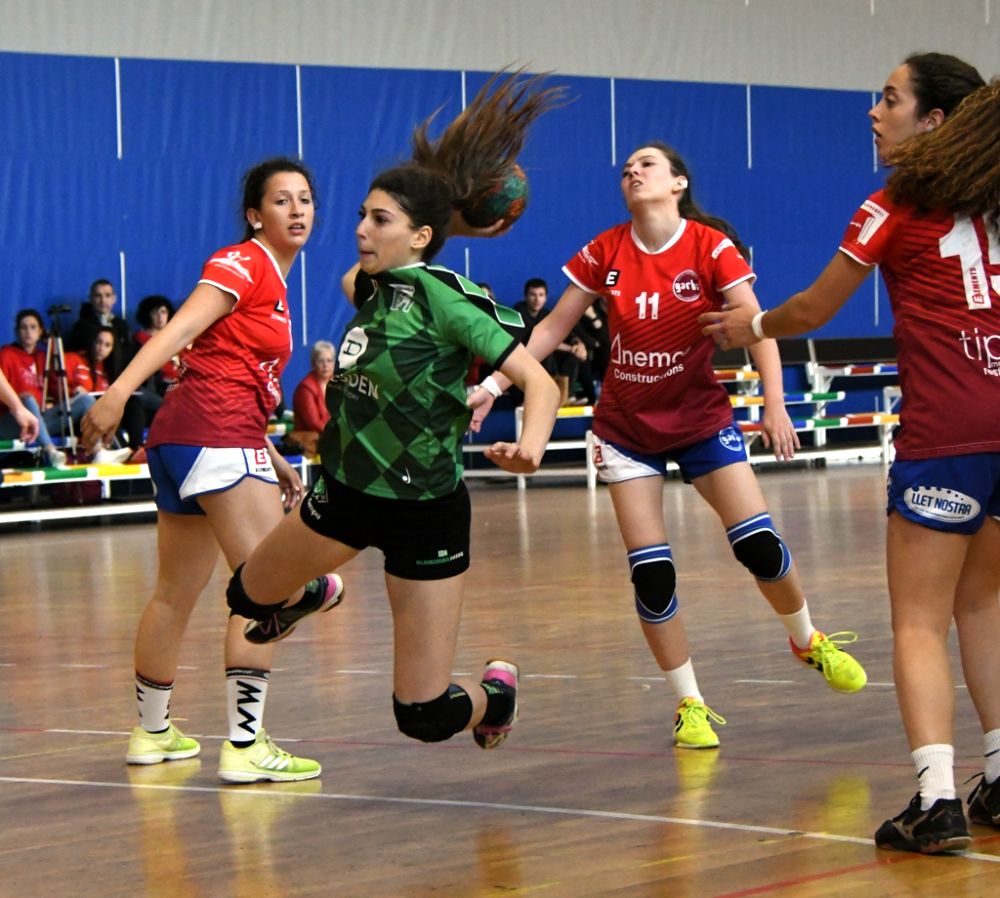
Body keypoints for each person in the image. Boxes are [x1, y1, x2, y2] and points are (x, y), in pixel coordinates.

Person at [470, 140, 869, 752]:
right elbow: (551, 327)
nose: (632, 171)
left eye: (647, 164)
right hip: (626, 430)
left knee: (760, 546)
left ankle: (807, 638)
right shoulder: (606, 249)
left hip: (701, 419)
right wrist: (496, 383)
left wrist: (776, 405)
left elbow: (759, 328)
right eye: (626, 167)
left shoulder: (711, 248)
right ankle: (691, 703)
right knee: (652, 577)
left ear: (678, 182)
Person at [701, 54, 998, 855]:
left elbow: (813, 305)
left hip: (947, 436)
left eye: (891, 99)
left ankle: (937, 799)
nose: (874, 111)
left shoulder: (895, 203)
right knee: (985, 605)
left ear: (933, 122)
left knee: (918, 621)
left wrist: (749, 329)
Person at [224, 69, 563, 755]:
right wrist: (439, 209)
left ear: (419, 236)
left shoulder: (447, 299)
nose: (358, 229)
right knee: (246, 599)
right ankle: (315, 593)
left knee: (424, 715)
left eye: (378, 220)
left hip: (424, 512)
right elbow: (370, 268)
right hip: (345, 495)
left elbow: (541, 382)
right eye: (360, 214)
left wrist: (531, 443)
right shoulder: (370, 287)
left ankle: (495, 695)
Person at [81, 156, 343, 783]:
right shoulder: (245, 261)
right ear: (256, 214)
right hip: (213, 436)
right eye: (281, 201)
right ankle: (247, 746)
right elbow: (181, 329)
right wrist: (115, 393)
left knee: (174, 595)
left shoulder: (273, 282)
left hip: (189, 440)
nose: (298, 209)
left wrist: (274, 458)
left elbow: (227, 371)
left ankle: (152, 733)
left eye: (305, 198)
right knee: (265, 590)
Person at [0, 308, 95, 467]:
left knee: (86, 400)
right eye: (23, 327)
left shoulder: (44, 357)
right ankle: (50, 452)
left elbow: (56, 390)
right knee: (27, 399)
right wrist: (21, 404)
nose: (28, 332)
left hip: (38, 423)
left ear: (40, 331)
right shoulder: (6, 354)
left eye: (33, 327)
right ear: (17, 332)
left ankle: (98, 450)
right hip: (11, 421)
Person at [514, 278, 588, 402]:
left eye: (541, 295)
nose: (537, 299)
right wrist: (571, 348)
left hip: (548, 357)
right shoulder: (518, 313)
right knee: (546, 353)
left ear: (546, 297)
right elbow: (539, 341)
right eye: (533, 295)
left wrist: (578, 344)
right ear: (526, 296)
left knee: (573, 357)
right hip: (524, 358)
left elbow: (565, 333)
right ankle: (545, 396)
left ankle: (567, 396)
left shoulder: (546, 313)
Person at [288, 339, 334, 456]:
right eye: (321, 361)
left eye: (329, 360)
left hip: (330, 439)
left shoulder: (337, 384)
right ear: (313, 363)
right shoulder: (305, 388)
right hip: (312, 441)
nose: (325, 365)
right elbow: (314, 423)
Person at [132, 294, 179, 398]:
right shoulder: (140, 338)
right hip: (160, 385)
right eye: (155, 313)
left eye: (163, 312)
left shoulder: (176, 337)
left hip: (181, 382)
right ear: (147, 315)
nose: (160, 317)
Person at [69, 278, 131, 354]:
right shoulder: (81, 327)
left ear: (114, 299)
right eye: (98, 296)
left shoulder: (122, 325)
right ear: (91, 298)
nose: (103, 301)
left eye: (107, 295)